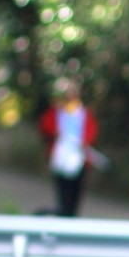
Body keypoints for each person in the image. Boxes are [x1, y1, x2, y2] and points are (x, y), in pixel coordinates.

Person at [39, 78, 99, 218]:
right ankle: (63, 212)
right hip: (61, 156)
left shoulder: (84, 113)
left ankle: (71, 214)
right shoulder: (57, 111)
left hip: (79, 157)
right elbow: (46, 126)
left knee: (76, 190)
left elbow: (91, 132)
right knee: (62, 189)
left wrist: (84, 142)